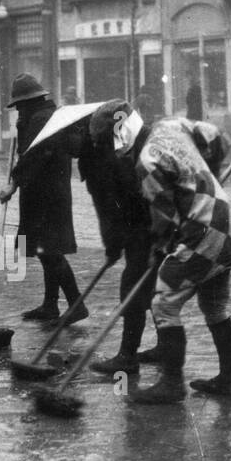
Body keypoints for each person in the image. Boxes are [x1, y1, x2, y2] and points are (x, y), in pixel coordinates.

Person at [122, 111, 231, 403]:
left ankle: (171, 384)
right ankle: (229, 378)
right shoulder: (170, 126)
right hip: (224, 224)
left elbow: (165, 217)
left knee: (164, 302)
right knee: (214, 306)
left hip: (201, 233)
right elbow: (218, 137)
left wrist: (160, 247)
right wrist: (208, 177)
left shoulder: (147, 163)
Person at [0, 74, 86, 326]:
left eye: (19, 106)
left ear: (29, 102)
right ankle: (50, 305)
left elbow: (35, 156)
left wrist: (13, 184)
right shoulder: (42, 117)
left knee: (50, 251)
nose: (18, 111)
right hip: (46, 193)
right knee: (46, 249)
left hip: (46, 196)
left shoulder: (41, 120)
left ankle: (76, 304)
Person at [78, 100, 154, 375]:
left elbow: (135, 197)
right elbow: (114, 205)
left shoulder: (143, 147)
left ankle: (127, 357)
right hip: (143, 228)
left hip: (155, 228)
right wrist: (114, 244)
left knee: (134, 288)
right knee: (152, 289)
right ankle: (159, 351)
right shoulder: (118, 149)